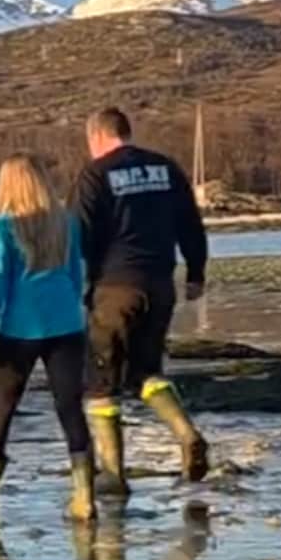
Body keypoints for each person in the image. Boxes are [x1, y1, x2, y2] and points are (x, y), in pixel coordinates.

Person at [71, 107, 211, 495]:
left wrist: (75, 289)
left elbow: (78, 237)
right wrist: (196, 274)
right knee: (147, 371)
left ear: (97, 136)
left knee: (100, 383)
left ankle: (114, 474)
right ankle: (186, 433)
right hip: (159, 285)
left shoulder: (95, 175)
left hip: (113, 289)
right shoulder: (166, 168)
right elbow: (191, 226)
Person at [0, 154, 95, 519]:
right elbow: (76, 276)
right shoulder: (66, 222)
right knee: (70, 408)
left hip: (20, 330)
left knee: (2, 408)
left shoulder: (4, 228)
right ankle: (84, 495)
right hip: (67, 325)